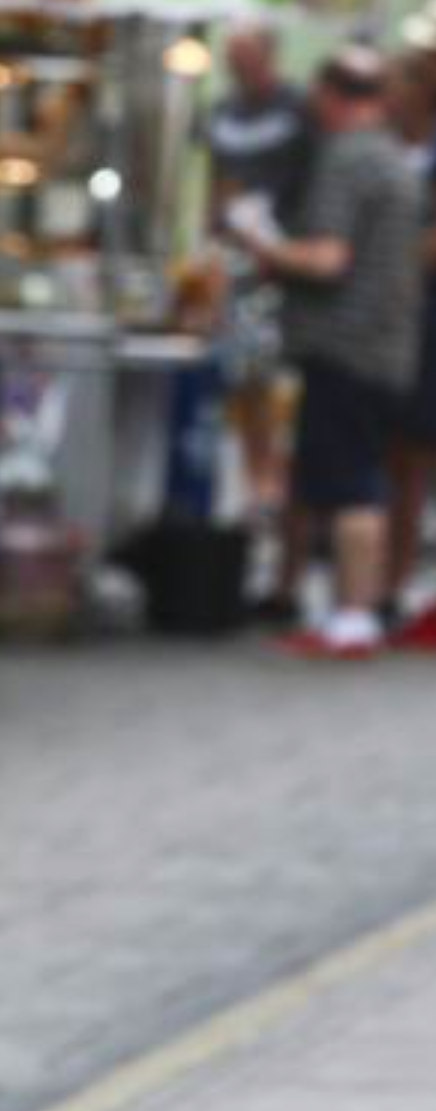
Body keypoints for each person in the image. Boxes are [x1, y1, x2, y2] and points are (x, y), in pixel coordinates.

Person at [234, 47, 427, 658]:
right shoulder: (395, 160)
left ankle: (352, 617)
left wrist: (260, 240)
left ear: (332, 97)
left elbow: (328, 257)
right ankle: (358, 611)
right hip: (387, 343)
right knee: (363, 475)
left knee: (350, 485)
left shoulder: (347, 160)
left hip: (343, 344)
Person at [207, 22, 317, 531]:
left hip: (287, 261)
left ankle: (278, 482)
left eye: (244, 54)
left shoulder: (299, 110)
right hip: (239, 259)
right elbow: (218, 179)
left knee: (280, 379)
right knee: (246, 375)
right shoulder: (223, 113)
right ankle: (258, 483)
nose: (237, 65)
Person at [387, 38, 436, 638]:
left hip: (425, 320)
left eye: (399, 82)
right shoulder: (398, 153)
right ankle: (391, 586)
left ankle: (401, 586)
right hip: (401, 321)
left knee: (415, 457)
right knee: (398, 459)